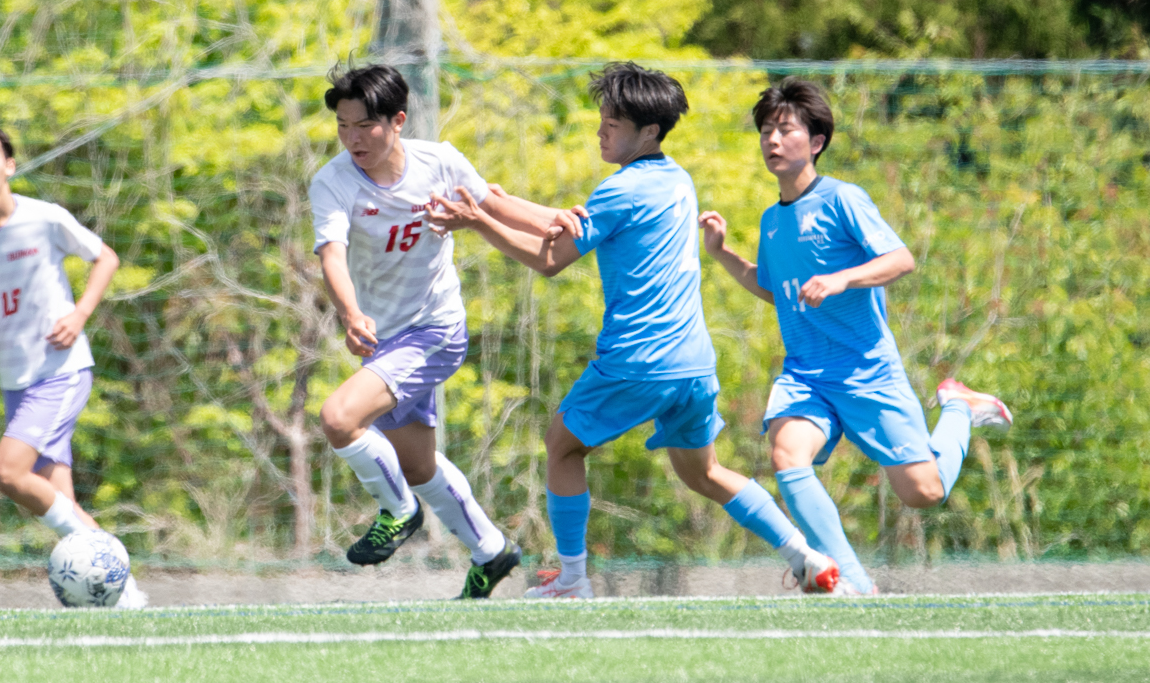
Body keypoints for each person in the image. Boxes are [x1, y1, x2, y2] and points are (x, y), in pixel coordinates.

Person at [427, 62, 841, 599]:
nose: (601, 131)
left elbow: (550, 258)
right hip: (693, 363)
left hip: (638, 360)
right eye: (602, 120)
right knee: (705, 473)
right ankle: (805, 556)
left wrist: (479, 220)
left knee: (561, 447)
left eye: (613, 124)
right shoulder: (674, 178)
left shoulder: (620, 189)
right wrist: (494, 202)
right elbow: (570, 221)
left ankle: (571, 580)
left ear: (649, 131)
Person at [698, 78, 1013, 595]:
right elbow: (777, 291)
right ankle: (854, 585)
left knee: (924, 492)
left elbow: (901, 259)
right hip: (806, 374)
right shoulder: (772, 220)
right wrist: (721, 254)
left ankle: (958, 406)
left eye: (786, 129)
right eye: (766, 130)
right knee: (786, 456)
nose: (772, 140)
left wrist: (843, 278)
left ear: (816, 142)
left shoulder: (843, 199)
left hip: (867, 371)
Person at [311, 63, 577, 599]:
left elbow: (495, 205)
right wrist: (350, 312)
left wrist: (562, 218)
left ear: (398, 120)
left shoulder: (439, 162)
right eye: (343, 126)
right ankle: (491, 551)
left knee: (339, 418)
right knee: (416, 465)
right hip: (384, 341)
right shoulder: (333, 181)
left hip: (435, 330)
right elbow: (332, 254)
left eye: (365, 126)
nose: (353, 139)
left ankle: (397, 513)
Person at [0, 120, 146, 609]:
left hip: (61, 369)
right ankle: (122, 596)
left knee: (7, 471)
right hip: (15, 380)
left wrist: (79, 314)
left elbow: (106, 258)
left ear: (9, 165)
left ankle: (112, 568)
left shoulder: (44, 217)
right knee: (61, 504)